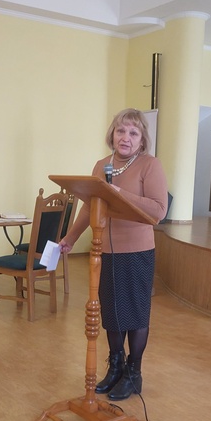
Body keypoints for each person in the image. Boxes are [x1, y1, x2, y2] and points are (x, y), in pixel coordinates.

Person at [59, 108, 168, 400]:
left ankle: (134, 373)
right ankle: (116, 366)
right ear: (113, 134)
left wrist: (116, 192)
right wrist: (70, 238)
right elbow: (90, 206)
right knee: (112, 312)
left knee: (135, 314)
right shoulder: (101, 166)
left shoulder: (150, 165)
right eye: (121, 131)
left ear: (142, 139)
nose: (126, 137)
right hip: (105, 251)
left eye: (133, 132)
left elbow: (158, 209)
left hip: (137, 251)